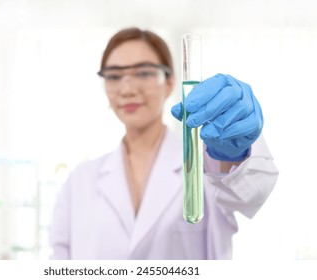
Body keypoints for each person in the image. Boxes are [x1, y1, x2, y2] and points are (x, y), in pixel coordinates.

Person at [49, 27, 279, 259]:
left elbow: (253, 189)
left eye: (144, 73)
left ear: (170, 82)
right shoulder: (79, 181)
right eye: (114, 75)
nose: (128, 89)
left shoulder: (207, 164)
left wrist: (235, 153)